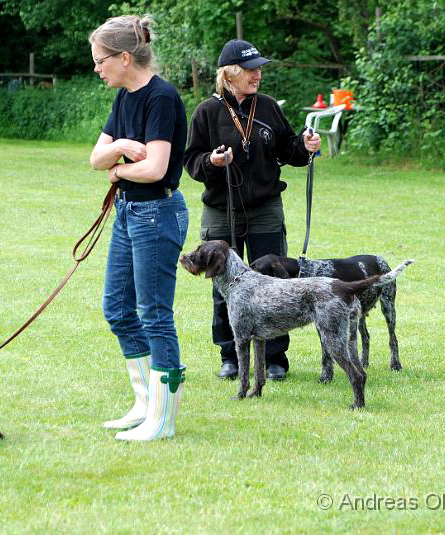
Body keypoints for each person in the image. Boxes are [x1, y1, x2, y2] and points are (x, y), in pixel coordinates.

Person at [184, 39, 321, 382]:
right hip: (221, 210)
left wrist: (305, 146)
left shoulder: (269, 107)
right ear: (230, 75)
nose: (257, 75)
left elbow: (289, 150)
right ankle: (230, 355)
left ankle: (275, 359)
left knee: (276, 286)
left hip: (265, 209)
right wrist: (212, 162)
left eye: (259, 69)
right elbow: (191, 162)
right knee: (223, 287)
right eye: (250, 69)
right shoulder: (206, 112)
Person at [88, 15, 189, 441]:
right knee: (118, 309)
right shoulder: (123, 97)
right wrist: (123, 150)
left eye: (100, 60)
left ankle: (162, 420)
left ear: (124, 57)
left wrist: (118, 170)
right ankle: (146, 404)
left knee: (154, 315)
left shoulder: (161, 98)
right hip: (130, 213)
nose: (97, 68)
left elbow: (157, 168)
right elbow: (96, 158)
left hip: (157, 214)